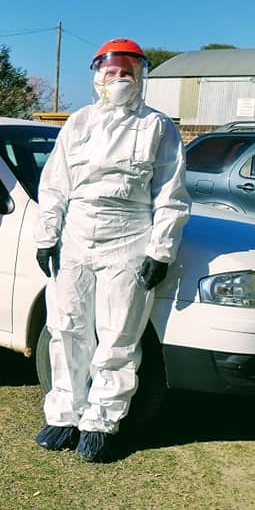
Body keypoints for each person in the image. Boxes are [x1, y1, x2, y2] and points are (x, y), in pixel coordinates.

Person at [33, 38, 190, 462]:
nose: (119, 79)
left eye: (127, 72)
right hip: (76, 236)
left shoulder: (158, 127)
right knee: (67, 328)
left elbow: (171, 195)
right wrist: (47, 237)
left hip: (128, 237)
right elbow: (55, 185)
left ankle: (102, 422)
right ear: (97, 77)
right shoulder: (79, 122)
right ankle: (64, 415)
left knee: (119, 334)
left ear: (140, 77)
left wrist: (160, 251)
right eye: (112, 72)